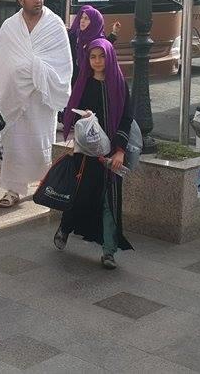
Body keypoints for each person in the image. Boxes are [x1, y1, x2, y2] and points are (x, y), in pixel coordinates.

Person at [0, 0, 72, 208]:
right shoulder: (9, 27)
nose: (38, 0)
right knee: (15, 146)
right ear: (20, 0)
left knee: (40, 143)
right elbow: (3, 64)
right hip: (15, 96)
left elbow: (63, 63)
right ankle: (13, 190)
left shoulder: (54, 25)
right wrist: (24, 72)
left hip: (41, 97)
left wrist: (35, 70)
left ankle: (45, 185)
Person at [54, 38, 134, 268]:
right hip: (87, 154)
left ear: (110, 57)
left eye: (102, 56)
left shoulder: (119, 84)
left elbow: (126, 119)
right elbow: (70, 114)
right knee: (81, 195)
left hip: (111, 156)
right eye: (93, 57)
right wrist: (84, 117)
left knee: (110, 202)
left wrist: (120, 151)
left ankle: (109, 251)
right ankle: (65, 227)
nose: (97, 61)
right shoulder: (84, 83)